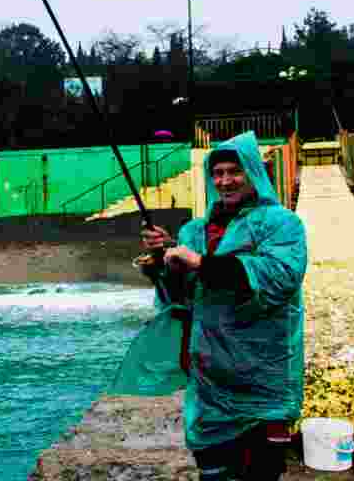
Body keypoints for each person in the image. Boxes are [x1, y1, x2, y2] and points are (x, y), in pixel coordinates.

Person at [131, 130, 308, 481]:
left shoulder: (283, 224)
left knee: (262, 471)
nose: (225, 181)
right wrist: (161, 262)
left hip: (264, 378)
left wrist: (201, 263)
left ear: (253, 173)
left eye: (233, 171)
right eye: (217, 173)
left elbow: (279, 276)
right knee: (213, 470)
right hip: (210, 378)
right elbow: (182, 298)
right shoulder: (193, 231)